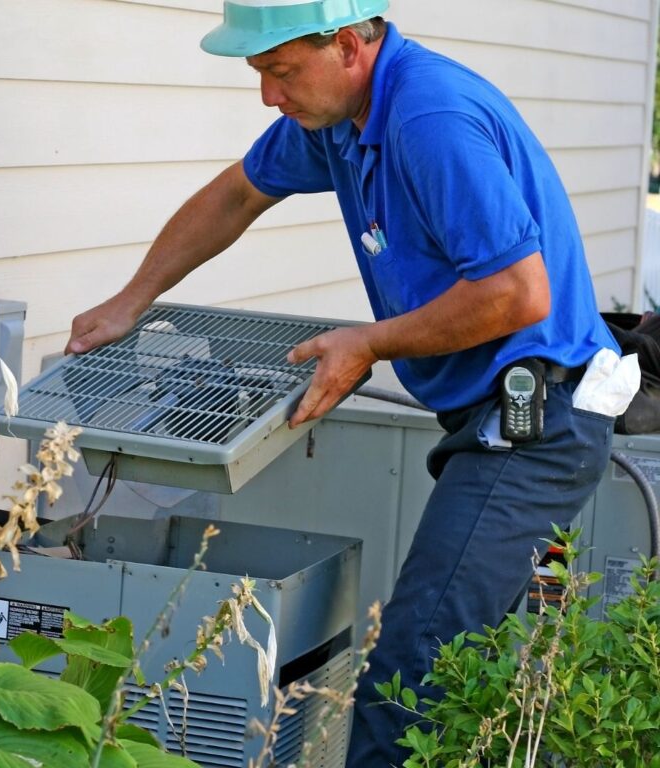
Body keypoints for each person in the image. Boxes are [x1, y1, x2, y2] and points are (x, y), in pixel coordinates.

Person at [66, 1, 629, 764]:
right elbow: (236, 195)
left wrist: (368, 344)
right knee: (462, 664)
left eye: (280, 70)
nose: (269, 95)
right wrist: (131, 301)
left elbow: (517, 294)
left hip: (537, 423)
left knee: (415, 669)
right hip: (490, 418)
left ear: (345, 46)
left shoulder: (428, 117)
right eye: (258, 73)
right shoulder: (338, 121)